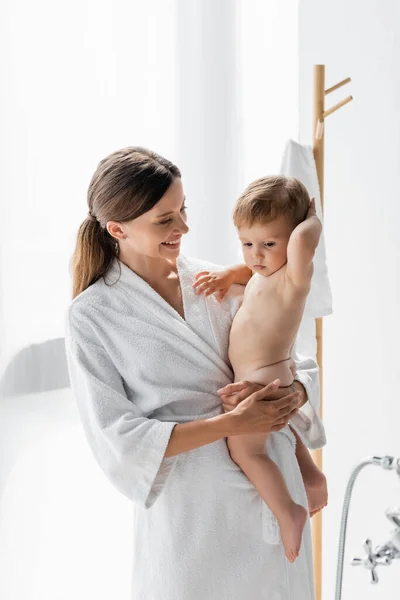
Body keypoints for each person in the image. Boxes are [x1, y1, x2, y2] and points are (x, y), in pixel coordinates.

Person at [65, 147, 326, 600]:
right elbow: (118, 436)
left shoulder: (216, 279)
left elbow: (289, 354)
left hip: (272, 497)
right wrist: (229, 424)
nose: (183, 227)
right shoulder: (92, 315)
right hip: (192, 517)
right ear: (117, 229)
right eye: (164, 220)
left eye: (183, 210)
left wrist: (297, 393)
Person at [193, 175, 328, 563]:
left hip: (262, 378)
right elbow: (248, 271)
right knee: (279, 428)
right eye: (248, 243)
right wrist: (228, 275)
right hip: (266, 375)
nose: (256, 254)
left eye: (269, 244)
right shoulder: (264, 272)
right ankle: (311, 475)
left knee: (245, 450)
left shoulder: (293, 278)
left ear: (294, 237)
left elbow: (303, 241)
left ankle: (289, 511)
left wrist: (312, 218)